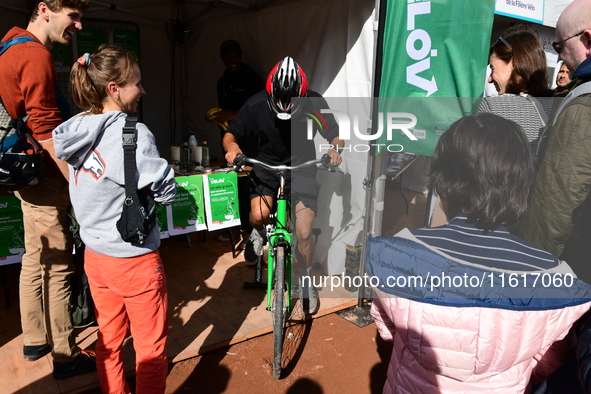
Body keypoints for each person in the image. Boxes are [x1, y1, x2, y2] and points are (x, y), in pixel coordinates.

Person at [367, 113, 591, 393]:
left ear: (444, 182)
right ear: (521, 183)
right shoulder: (554, 277)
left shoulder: (397, 251)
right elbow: (549, 357)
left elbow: (387, 327)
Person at [53, 45, 176, 393]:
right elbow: (165, 190)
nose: (143, 90)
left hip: (95, 256)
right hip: (133, 259)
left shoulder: (76, 129)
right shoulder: (133, 134)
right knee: (150, 350)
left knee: (108, 341)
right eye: (137, 83)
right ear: (114, 89)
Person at [0, 0, 97, 379]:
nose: (77, 25)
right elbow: (44, 128)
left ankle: (35, 338)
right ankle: (65, 354)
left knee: (33, 256)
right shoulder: (34, 55)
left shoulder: (9, 46)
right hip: (44, 177)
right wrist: (77, 183)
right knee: (58, 266)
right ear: (45, 9)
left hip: (21, 175)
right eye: (72, 16)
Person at [223, 56, 343, 314]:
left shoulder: (313, 102)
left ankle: (307, 278)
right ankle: (257, 233)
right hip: (265, 165)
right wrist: (232, 147)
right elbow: (231, 133)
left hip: (302, 168)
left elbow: (334, 132)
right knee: (258, 216)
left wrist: (334, 148)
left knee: (302, 232)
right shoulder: (255, 104)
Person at [518, 0, 591, 284]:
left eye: (560, 47)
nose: (560, 59)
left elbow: (553, 205)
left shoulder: (583, 106)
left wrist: (529, 275)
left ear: (587, 39)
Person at [210, 39, 263, 248]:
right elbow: (224, 110)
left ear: (241, 56)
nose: (232, 61)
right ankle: (239, 228)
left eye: (236, 56)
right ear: (222, 58)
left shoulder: (251, 79)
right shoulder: (221, 82)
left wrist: (234, 113)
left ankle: (254, 230)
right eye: (228, 57)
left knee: (251, 184)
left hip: (251, 141)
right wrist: (220, 117)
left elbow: (260, 109)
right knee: (235, 185)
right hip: (230, 139)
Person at [476, 25, 554, 153]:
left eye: (493, 69)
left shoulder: (493, 107)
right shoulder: (556, 106)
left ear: (514, 63)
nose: (489, 79)